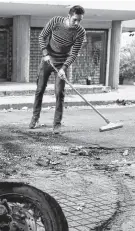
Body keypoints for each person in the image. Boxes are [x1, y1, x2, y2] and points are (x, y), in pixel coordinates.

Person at [29, 5, 86, 134]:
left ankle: (57, 124)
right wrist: (45, 53)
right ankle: (35, 118)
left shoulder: (80, 32)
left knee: (59, 93)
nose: (77, 23)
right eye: (75, 20)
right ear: (68, 16)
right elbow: (42, 37)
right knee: (39, 90)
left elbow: (74, 53)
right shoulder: (56, 21)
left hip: (62, 63)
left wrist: (64, 68)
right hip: (47, 60)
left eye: (79, 20)